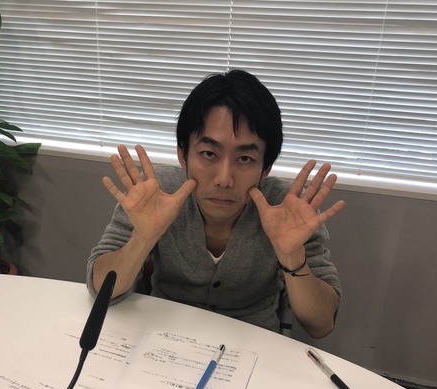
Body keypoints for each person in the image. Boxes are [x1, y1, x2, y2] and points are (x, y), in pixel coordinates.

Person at [87, 69, 345, 338]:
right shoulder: (156, 192)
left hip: (253, 343)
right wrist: (142, 239)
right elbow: (100, 288)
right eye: (209, 153)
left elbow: (321, 324)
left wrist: (292, 257)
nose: (224, 179)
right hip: (162, 337)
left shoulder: (288, 208)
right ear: (183, 155)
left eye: (244, 158)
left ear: (266, 166)